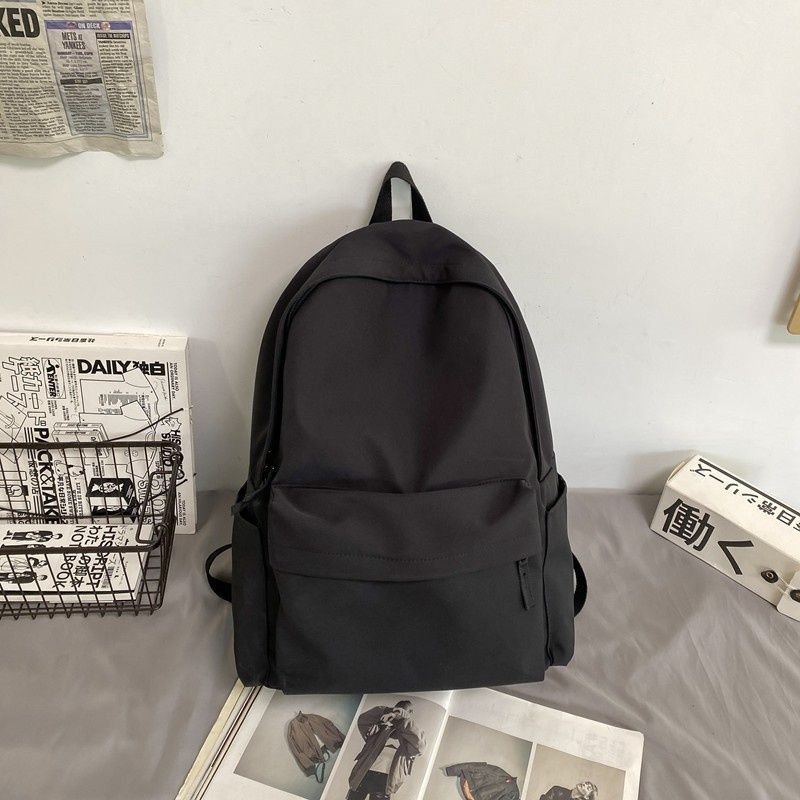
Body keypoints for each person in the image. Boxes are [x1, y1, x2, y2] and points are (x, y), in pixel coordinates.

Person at [347, 700, 425, 800]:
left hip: (385, 780)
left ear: (409, 714)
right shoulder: (379, 729)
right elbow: (363, 720)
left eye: (403, 712)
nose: (398, 715)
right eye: (397, 711)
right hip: (364, 773)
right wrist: (388, 711)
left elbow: (420, 746)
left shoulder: (409, 738)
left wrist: (403, 720)